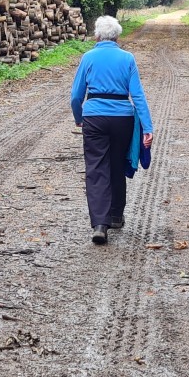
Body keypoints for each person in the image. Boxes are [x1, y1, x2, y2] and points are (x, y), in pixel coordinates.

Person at [70, 15, 153, 244]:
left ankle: (100, 224)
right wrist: (148, 126)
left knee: (96, 168)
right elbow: (137, 95)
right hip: (122, 119)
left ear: (96, 35)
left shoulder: (88, 58)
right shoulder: (127, 58)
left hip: (94, 117)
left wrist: (79, 117)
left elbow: (76, 96)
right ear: (117, 36)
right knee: (117, 164)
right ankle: (116, 215)